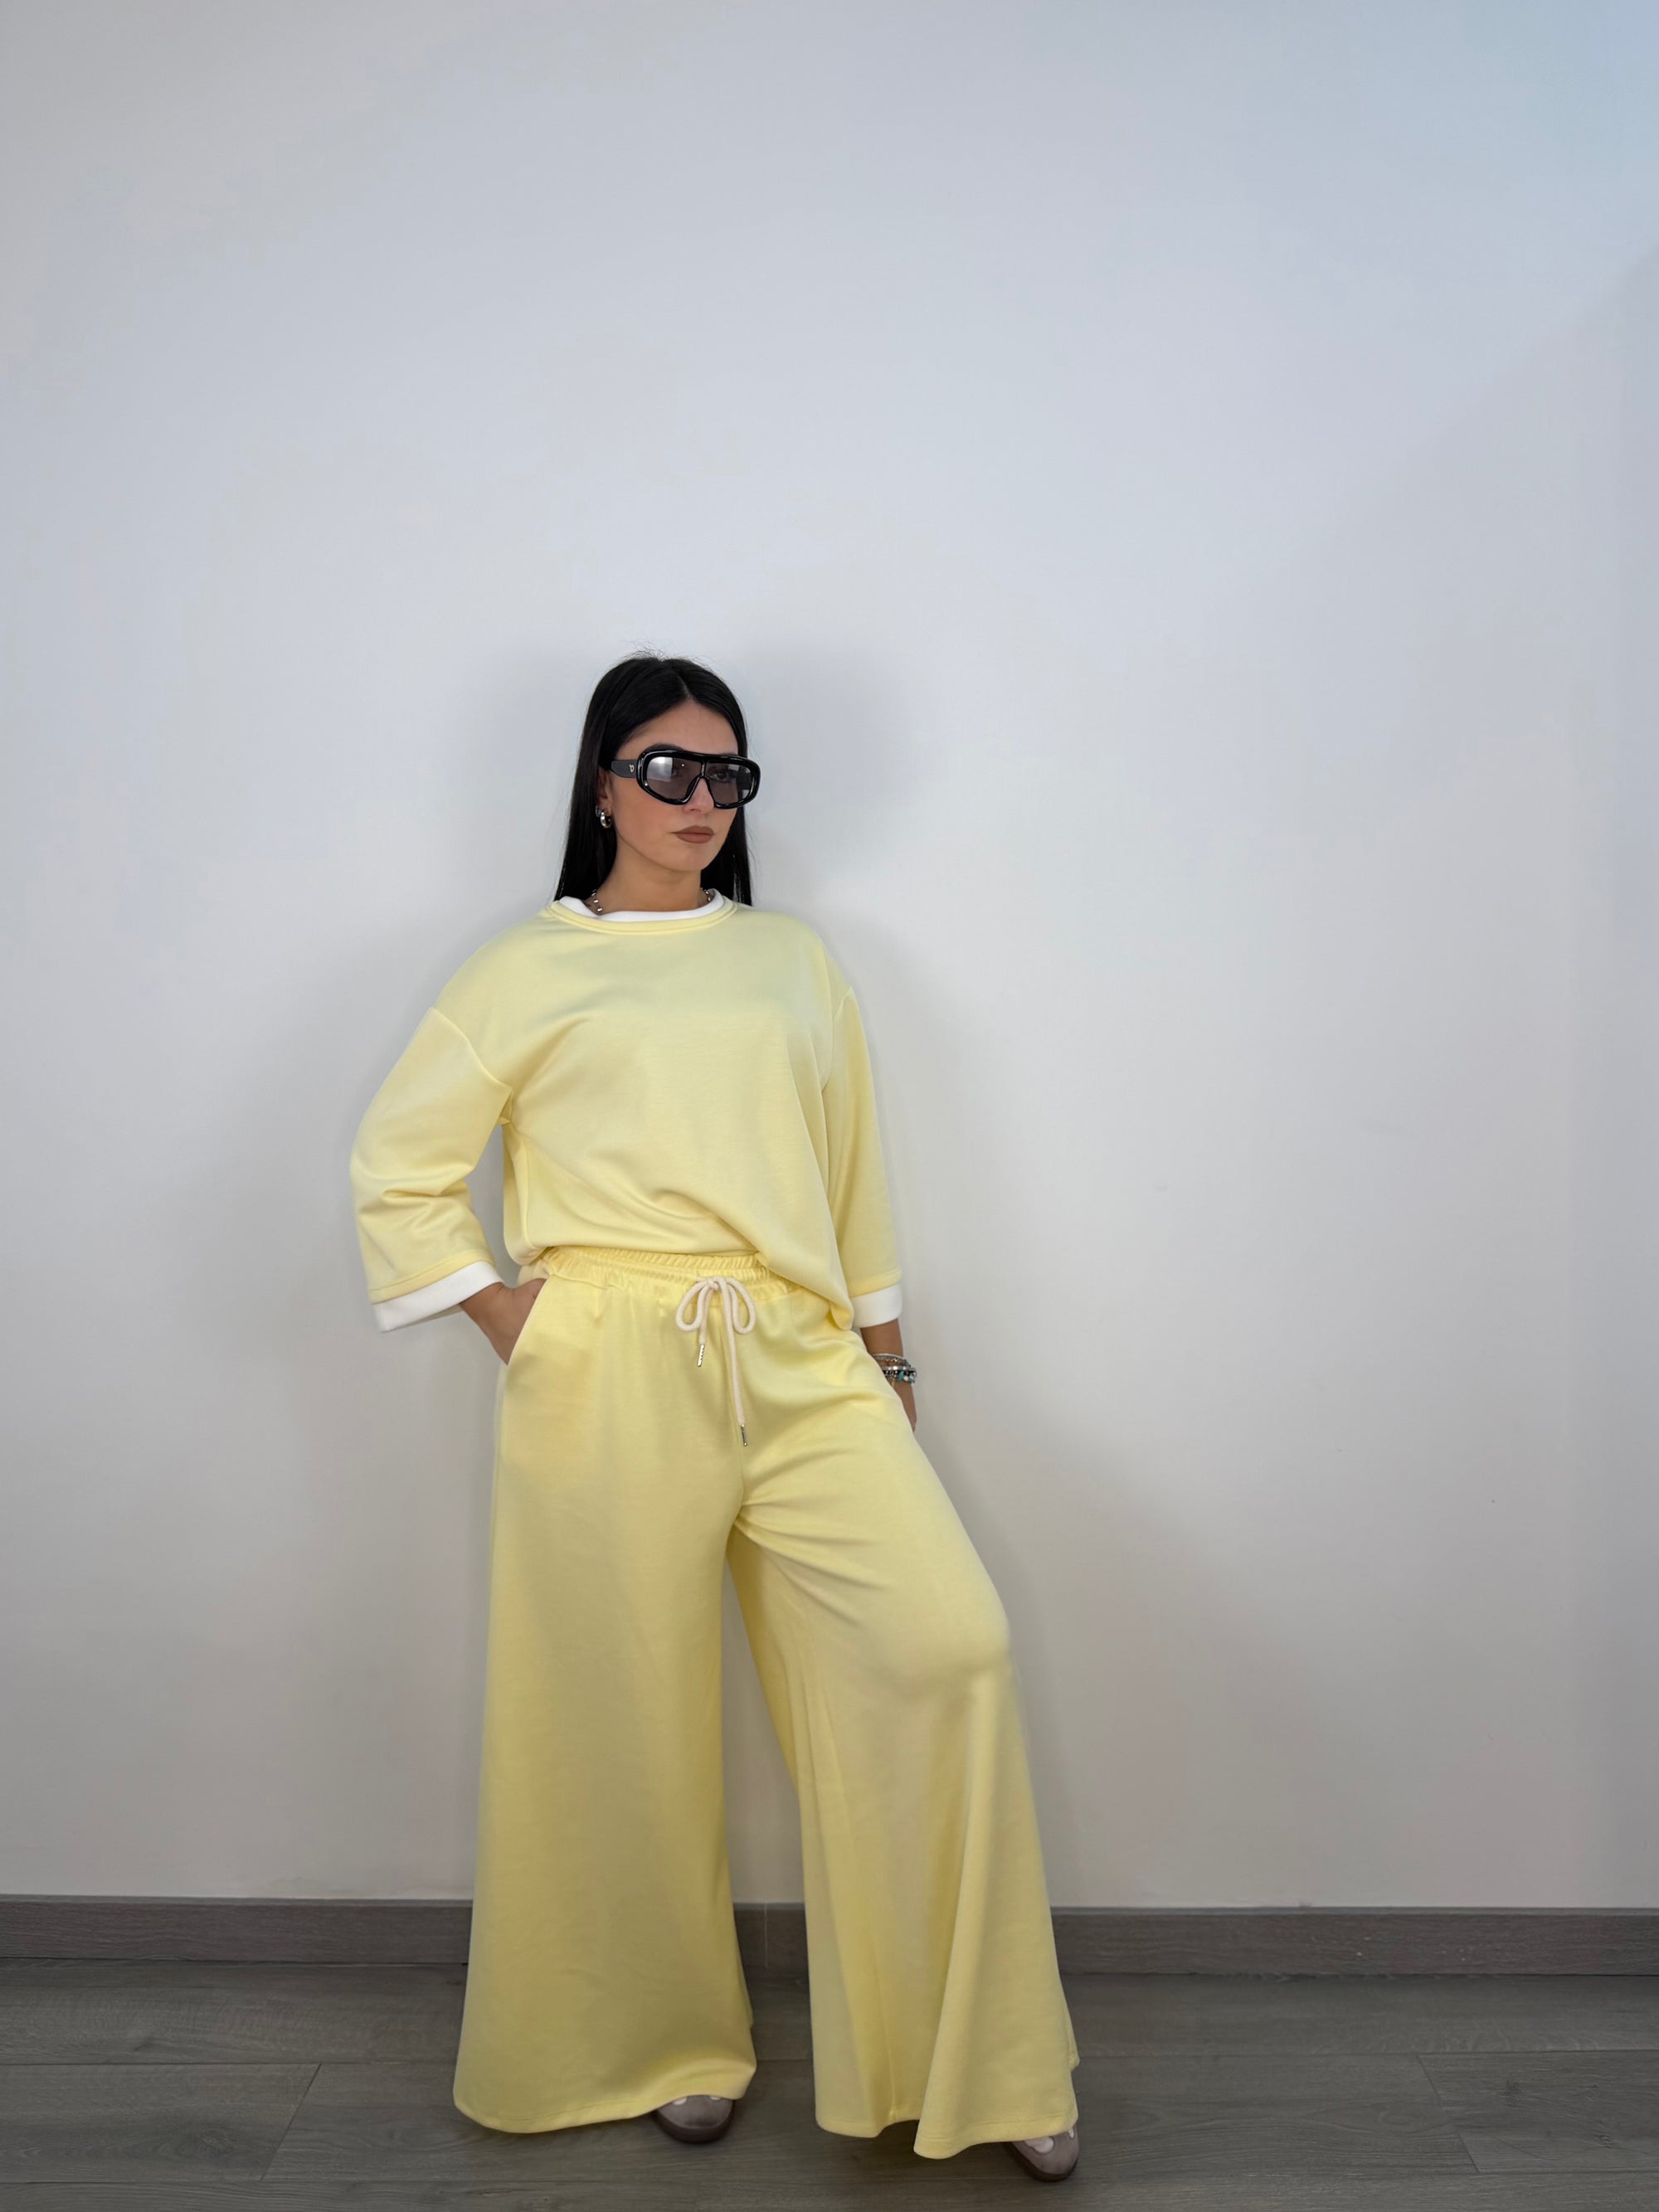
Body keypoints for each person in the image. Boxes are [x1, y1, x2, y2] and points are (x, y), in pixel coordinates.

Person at [348, 654, 1081, 2180]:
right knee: (617, 1713)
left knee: (948, 1646)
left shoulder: (792, 961)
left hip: (799, 1349)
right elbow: (398, 1168)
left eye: (726, 775)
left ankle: (984, 2063)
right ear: (603, 782)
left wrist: (888, 1364)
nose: (699, 800)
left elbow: (851, 1171)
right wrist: (515, 1320)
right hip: (604, 1360)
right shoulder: (521, 969)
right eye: (667, 770)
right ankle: (662, 2040)